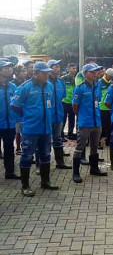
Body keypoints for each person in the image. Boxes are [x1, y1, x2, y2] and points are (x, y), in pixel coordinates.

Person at [11, 61, 59, 196]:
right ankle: (25, 185)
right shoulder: (25, 87)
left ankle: (45, 181)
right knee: (26, 156)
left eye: (47, 72)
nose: (47, 74)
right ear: (36, 73)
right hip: (30, 129)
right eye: (44, 73)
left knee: (45, 155)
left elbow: (51, 105)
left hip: (46, 129)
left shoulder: (49, 86)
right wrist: (27, 116)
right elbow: (15, 106)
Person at [72, 63, 107, 183]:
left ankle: (94, 168)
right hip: (85, 123)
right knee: (80, 147)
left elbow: (98, 100)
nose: (95, 74)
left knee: (94, 147)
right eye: (92, 72)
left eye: (96, 71)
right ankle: (76, 173)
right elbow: (75, 105)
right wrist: (81, 116)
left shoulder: (97, 86)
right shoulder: (80, 87)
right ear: (86, 73)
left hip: (97, 122)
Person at [47, 60, 71, 169]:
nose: (58, 68)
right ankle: (41, 165)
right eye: (56, 66)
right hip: (47, 117)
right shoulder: (45, 82)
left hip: (58, 116)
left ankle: (60, 162)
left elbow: (62, 98)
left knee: (58, 139)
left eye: (59, 66)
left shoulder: (61, 83)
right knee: (45, 141)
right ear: (50, 68)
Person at [0, 61, 20, 179]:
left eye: (9, 68)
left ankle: (10, 172)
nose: (9, 70)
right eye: (5, 68)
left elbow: (17, 103)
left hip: (10, 124)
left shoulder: (13, 87)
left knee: (9, 148)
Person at [11, 65, 27, 154]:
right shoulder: (13, 84)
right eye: (22, 71)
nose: (25, 73)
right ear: (17, 73)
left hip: (25, 112)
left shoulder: (27, 83)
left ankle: (24, 147)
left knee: (25, 132)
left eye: (25, 71)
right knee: (18, 132)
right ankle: (18, 148)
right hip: (16, 112)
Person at [99, 68, 113, 146]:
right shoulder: (99, 83)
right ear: (106, 74)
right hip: (101, 107)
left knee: (109, 125)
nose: (110, 78)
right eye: (110, 76)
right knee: (101, 126)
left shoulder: (111, 83)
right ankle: (99, 142)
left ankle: (109, 141)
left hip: (109, 107)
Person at [61, 63, 77, 140]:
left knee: (72, 118)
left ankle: (70, 134)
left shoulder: (76, 79)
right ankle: (61, 135)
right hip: (64, 102)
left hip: (72, 102)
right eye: (73, 68)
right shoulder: (64, 78)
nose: (75, 70)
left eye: (75, 68)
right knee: (63, 119)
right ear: (69, 69)